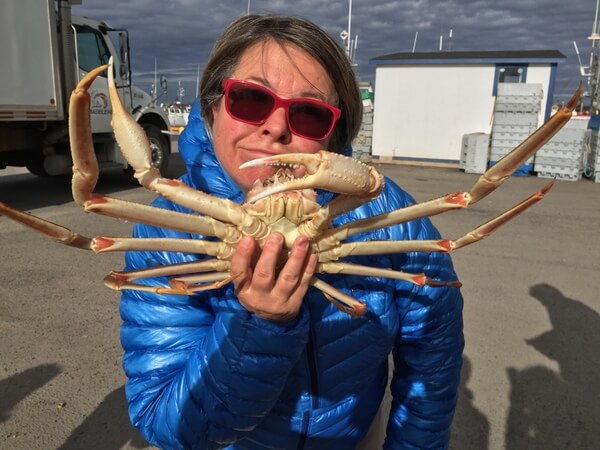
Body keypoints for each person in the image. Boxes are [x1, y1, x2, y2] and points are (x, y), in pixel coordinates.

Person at [120, 13, 464, 449]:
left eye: (309, 113)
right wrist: (258, 324)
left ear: (333, 135)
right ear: (212, 106)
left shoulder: (384, 210)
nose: (277, 127)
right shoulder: (166, 235)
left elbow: (433, 358)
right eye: (250, 100)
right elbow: (169, 423)